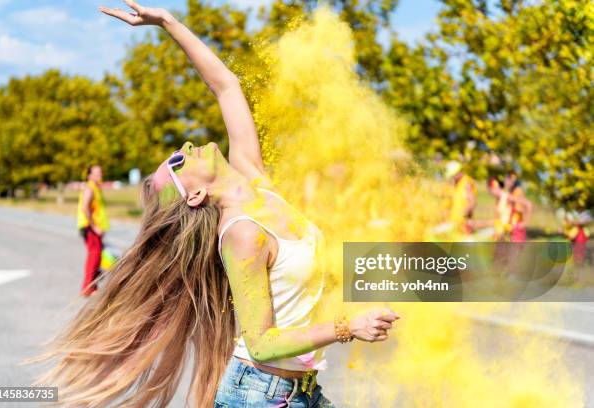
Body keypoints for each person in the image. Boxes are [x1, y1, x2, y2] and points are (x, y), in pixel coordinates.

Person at [30, 2, 400, 407]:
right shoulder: (243, 235)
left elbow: (225, 86)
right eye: (177, 162)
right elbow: (261, 343)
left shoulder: (256, 180)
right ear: (194, 195)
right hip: (263, 396)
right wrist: (349, 326)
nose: (185, 147)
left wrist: (169, 23)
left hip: (300, 391)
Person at [76, 164, 109, 296]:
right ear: (90, 175)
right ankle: (87, 287)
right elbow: (85, 208)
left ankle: (92, 285)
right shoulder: (90, 188)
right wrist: (94, 227)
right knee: (94, 256)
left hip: (95, 227)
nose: (100, 175)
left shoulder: (96, 188)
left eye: (101, 172)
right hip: (90, 227)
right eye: (97, 173)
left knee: (97, 255)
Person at [445, 161, 477, 235]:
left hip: (463, 225)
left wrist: (462, 215)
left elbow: (472, 203)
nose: (452, 178)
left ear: (458, 173)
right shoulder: (456, 183)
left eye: (453, 175)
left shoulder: (467, 183)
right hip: (453, 223)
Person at [503, 171, 532, 243]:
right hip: (512, 227)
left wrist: (525, 223)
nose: (505, 183)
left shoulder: (517, 191)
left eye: (506, 180)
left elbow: (527, 205)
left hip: (517, 227)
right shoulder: (512, 192)